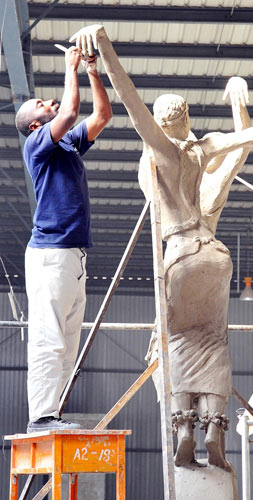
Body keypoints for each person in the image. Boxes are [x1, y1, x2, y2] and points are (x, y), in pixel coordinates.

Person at [69, 24, 253, 468]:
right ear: (187, 119)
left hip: (181, 255)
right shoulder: (203, 149)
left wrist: (105, 46)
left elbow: (129, 99)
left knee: (175, 342)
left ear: (163, 124)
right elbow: (250, 138)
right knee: (214, 342)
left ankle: (184, 426)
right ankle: (215, 435)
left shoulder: (162, 154)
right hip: (216, 254)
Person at [15, 45, 112, 433]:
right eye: (39, 104)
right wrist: (69, 66)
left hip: (73, 255)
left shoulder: (68, 143)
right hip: (50, 254)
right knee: (49, 338)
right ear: (34, 125)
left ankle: (51, 414)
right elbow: (71, 111)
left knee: (68, 342)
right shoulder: (36, 145)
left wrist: (91, 70)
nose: (46, 103)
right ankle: (41, 416)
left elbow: (102, 115)